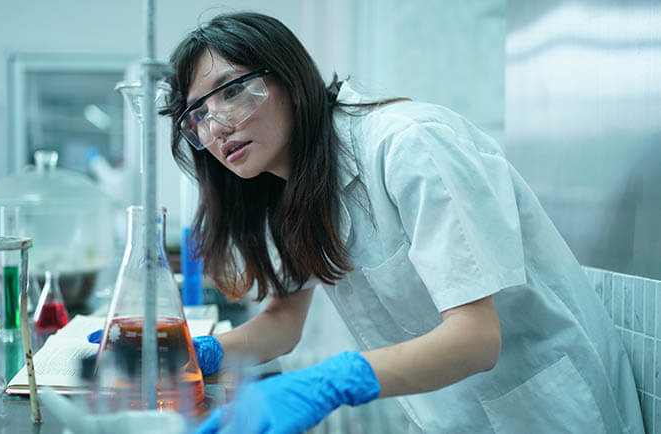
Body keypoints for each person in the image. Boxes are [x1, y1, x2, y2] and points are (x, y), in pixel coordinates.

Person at [158, 11, 644, 433]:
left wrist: (333, 381)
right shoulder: (291, 187)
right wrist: (198, 353)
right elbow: (284, 322)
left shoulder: (408, 144)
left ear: (290, 78)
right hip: (446, 415)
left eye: (233, 91)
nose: (216, 126)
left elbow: (476, 338)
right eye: (197, 115)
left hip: (547, 412)